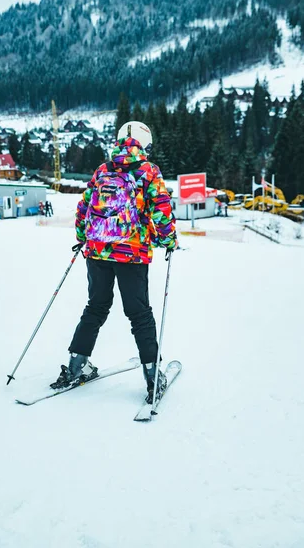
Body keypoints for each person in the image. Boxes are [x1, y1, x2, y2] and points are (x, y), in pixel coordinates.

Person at [51, 121, 177, 403]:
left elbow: (84, 206)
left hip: (97, 251)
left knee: (95, 307)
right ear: (145, 143)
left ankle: (76, 366)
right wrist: (169, 240)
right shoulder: (148, 171)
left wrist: (83, 237)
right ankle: (152, 376)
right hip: (131, 253)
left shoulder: (103, 170)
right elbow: (161, 209)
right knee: (139, 314)